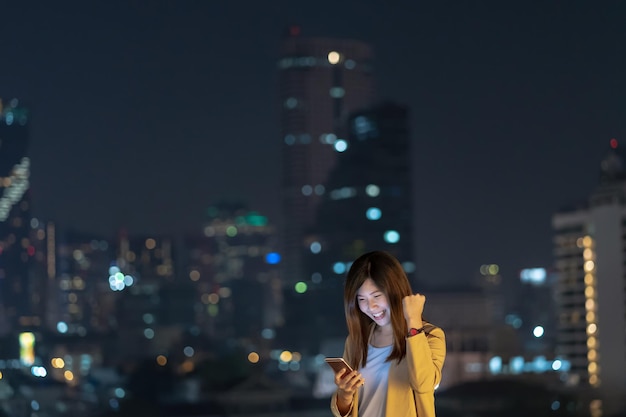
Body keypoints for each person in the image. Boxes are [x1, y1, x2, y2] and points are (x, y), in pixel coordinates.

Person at [330, 250, 446, 417]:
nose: (371, 306)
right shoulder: (356, 341)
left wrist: (413, 322)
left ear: (395, 291)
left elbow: (424, 384)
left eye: (376, 296)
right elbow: (343, 411)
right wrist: (345, 394)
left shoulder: (430, 336)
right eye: (362, 299)